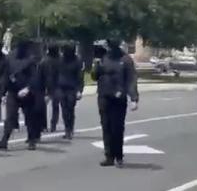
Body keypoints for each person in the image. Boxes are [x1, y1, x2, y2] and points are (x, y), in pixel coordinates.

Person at [92, 39, 139, 167]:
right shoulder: (103, 58)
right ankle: (109, 156)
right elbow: (94, 76)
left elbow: (131, 79)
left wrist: (133, 98)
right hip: (104, 96)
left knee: (117, 128)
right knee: (106, 126)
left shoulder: (125, 60)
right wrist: (96, 66)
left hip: (119, 98)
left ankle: (118, 156)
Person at [0, 40, 42, 151]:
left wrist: (28, 88)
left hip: (27, 92)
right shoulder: (10, 59)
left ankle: (31, 141)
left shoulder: (30, 59)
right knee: (10, 117)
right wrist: (2, 93)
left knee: (30, 117)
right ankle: (4, 141)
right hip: (13, 91)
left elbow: (35, 77)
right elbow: (6, 75)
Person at [57, 43, 85, 140]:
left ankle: (70, 128)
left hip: (72, 88)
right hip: (61, 88)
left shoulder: (77, 60)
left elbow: (80, 77)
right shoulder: (60, 60)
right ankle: (67, 129)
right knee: (64, 110)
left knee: (70, 108)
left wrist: (79, 90)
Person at [39, 44, 61, 133]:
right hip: (57, 86)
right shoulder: (60, 60)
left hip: (45, 86)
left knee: (42, 107)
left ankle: (43, 125)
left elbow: (39, 74)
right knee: (55, 107)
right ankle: (53, 125)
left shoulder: (44, 61)